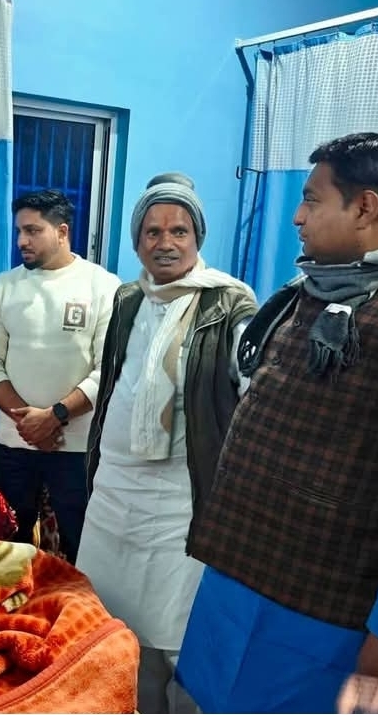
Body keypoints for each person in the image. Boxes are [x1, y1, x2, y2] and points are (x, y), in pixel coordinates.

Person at [175, 132, 378, 713]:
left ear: (365, 207)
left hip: (324, 608)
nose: (297, 217)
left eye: (312, 200)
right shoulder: (311, 288)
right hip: (239, 575)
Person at [75, 172, 258, 714]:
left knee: (179, 631)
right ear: (137, 242)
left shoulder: (229, 303)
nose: (166, 242)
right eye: (152, 231)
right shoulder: (128, 299)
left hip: (182, 493)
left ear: (198, 238)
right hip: (114, 490)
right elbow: (115, 379)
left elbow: (252, 385)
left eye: (179, 231)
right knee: (113, 627)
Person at [0, 190, 121, 564]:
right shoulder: (5, 287)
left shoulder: (103, 287)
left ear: (62, 232)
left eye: (33, 231)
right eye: (19, 231)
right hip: (14, 443)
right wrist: (29, 422)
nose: (22, 240)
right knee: (8, 548)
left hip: (76, 449)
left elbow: (109, 370)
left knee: (81, 545)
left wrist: (55, 416)